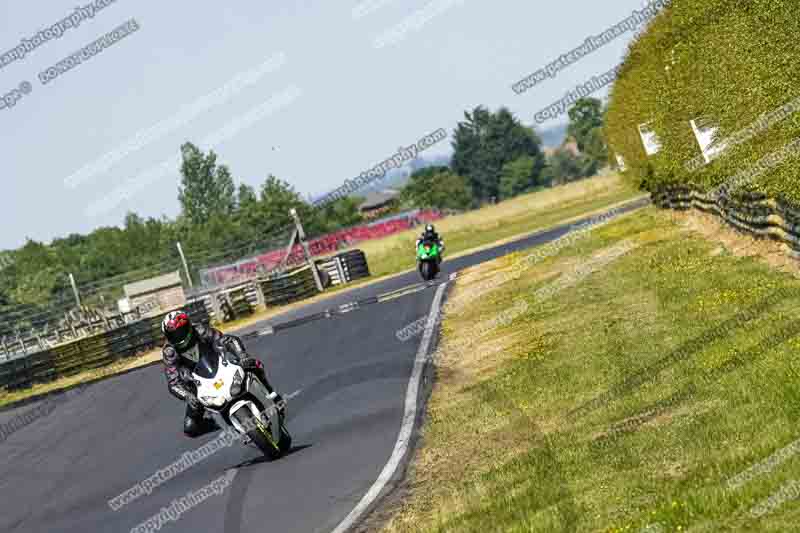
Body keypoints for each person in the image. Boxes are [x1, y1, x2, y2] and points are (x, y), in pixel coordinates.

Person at [161, 310, 284, 438]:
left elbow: (226, 340)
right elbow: (173, 383)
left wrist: (242, 355)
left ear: (188, 327)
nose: (178, 336)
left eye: (180, 332)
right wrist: (188, 396)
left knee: (253, 364)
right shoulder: (169, 352)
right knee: (190, 427)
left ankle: (271, 395)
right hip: (198, 384)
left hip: (221, 364)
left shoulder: (200, 330)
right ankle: (221, 424)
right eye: (173, 334)